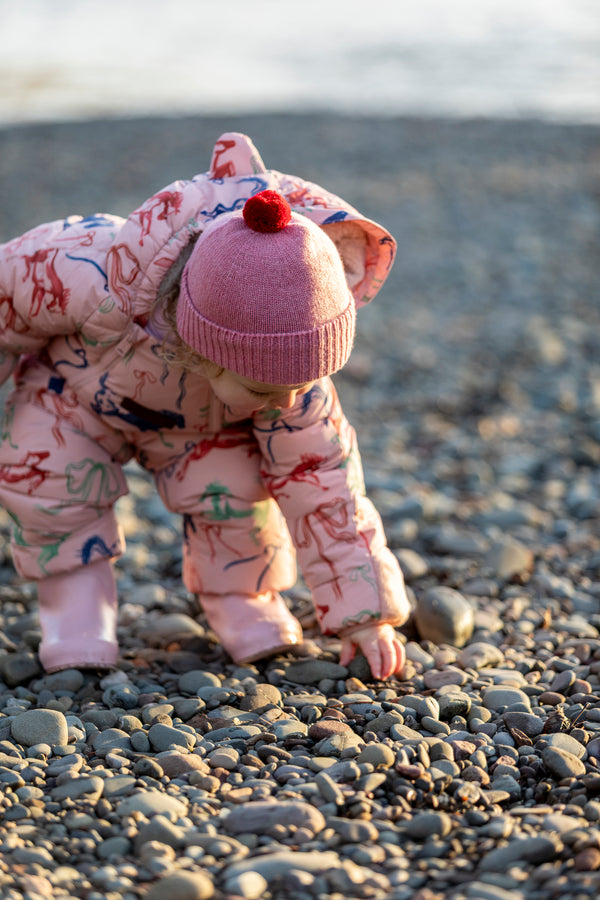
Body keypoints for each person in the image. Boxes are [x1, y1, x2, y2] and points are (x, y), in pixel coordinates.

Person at [0, 132, 409, 679]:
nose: (288, 399)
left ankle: (243, 597)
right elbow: (8, 294)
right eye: (266, 388)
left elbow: (326, 482)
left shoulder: (291, 382)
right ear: (204, 348)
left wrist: (366, 614)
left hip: (200, 427)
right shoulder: (94, 271)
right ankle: (75, 608)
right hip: (74, 397)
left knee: (237, 491)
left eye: (305, 382)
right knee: (46, 476)